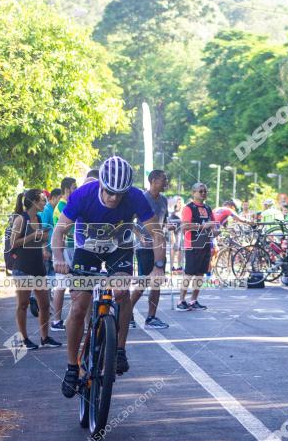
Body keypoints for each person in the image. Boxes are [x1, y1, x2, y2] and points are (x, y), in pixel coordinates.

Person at [53, 156, 164, 398]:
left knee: (122, 293)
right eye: (109, 192)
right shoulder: (83, 194)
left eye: (119, 194)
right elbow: (60, 230)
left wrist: (158, 266)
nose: (114, 198)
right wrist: (58, 258)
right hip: (88, 247)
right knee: (79, 306)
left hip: (119, 247)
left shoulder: (135, 196)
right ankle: (72, 366)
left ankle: (120, 350)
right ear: (101, 184)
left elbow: (156, 234)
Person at [10, 189, 61, 349]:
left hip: (38, 265)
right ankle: (23, 339)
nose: (45, 203)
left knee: (45, 304)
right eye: (42, 200)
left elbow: (38, 240)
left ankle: (45, 337)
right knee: (23, 304)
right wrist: (33, 236)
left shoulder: (38, 218)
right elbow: (12, 244)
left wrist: (43, 244)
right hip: (23, 267)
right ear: (33, 202)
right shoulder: (21, 219)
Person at [129, 169, 170, 329]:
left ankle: (151, 317)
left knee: (157, 281)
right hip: (144, 246)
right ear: (153, 181)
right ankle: (128, 312)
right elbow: (129, 221)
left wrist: (168, 228)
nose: (166, 183)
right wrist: (139, 235)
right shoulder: (141, 199)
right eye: (163, 180)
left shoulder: (164, 200)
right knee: (144, 280)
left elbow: (163, 221)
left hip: (158, 247)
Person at [177, 183, 216, 311]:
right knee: (189, 273)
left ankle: (193, 300)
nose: (203, 193)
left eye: (205, 191)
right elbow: (184, 226)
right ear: (193, 193)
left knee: (200, 274)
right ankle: (181, 301)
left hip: (205, 244)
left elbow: (214, 224)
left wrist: (215, 231)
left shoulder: (208, 208)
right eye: (201, 191)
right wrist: (202, 226)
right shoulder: (189, 208)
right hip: (192, 244)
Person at [50, 177, 78, 331]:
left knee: (73, 285)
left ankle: (67, 319)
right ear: (67, 189)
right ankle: (56, 321)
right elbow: (66, 227)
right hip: (63, 248)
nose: (76, 189)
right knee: (61, 286)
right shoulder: (62, 206)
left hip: (69, 248)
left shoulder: (66, 205)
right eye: (74, 187)